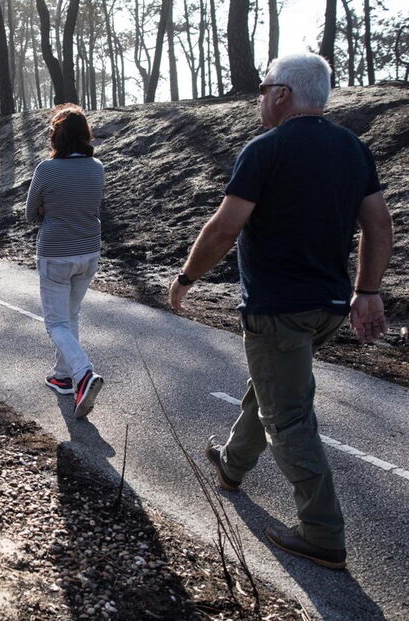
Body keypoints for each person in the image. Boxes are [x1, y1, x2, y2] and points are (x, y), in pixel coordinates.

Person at [168, 53, 392, 570]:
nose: (259, 98)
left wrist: (185, 280)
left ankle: (322, 533)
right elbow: (379, 224)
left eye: (263, 88)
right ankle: (231, 465)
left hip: (278, 308)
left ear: (284, 94)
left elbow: (224, 229)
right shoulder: (352, 148)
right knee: (271, 385)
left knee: (287, 415)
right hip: (330, 307)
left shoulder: (265, 150)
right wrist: (369, 290)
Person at [25, 105, 105, 420]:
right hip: (89, 252)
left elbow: (30, 214)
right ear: (85, 135)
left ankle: (84, 373)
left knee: (56, 323)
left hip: (56, 253)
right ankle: (63, 376)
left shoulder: (46, 169)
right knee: (70, 316)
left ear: (56, 136)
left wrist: (48, 209)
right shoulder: (97, 167)